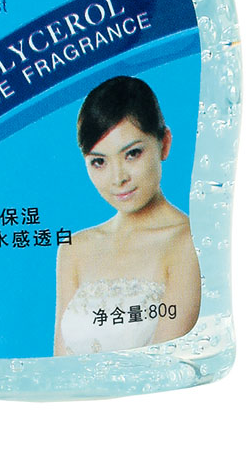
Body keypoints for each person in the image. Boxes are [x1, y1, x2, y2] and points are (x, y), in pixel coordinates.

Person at [54, 75, 201, 355]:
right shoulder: (74, 249)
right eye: (99, 161)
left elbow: (163, 366)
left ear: (164, 143)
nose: (118, 178)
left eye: (132, 154)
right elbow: (59, 368)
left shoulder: (189, 241)